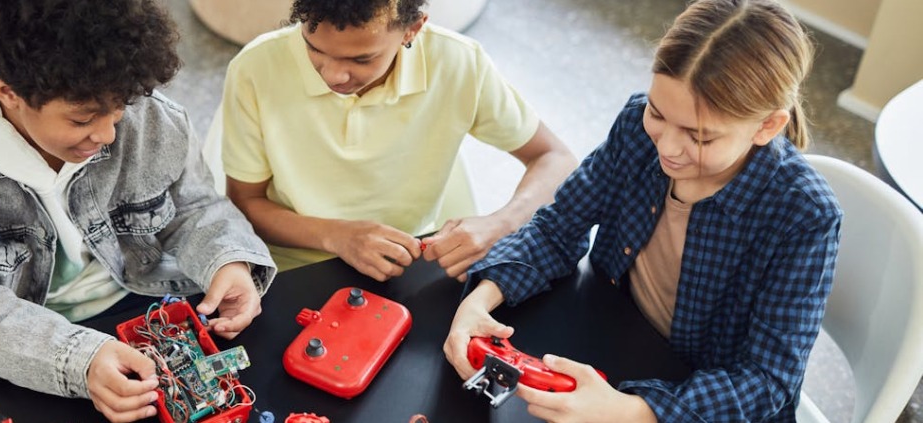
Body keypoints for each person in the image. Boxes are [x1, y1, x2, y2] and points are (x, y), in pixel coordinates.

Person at [0, 1, 275, 422]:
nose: (106, 134)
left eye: (118, 109)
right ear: (7, 91)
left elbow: (194, 206)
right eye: (83, 119)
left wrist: (228, 261)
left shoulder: (142, 107)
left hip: (147, 303)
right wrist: (78, 359)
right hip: (22, 348)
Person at [443, 0, 840, 421]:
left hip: (694, 399)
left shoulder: (806, 215)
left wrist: (633, 411)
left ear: (767, 127)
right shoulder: (636, 125)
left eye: (699, 137)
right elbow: (558, 228)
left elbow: (766, 381)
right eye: (658, 112)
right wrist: (479, 302)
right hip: (611, 339)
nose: (666, 148)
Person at [220, 0, 578, 281]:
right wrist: (338, 236)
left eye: (362, 58)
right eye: (314, 49)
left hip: (411, 261)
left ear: (413, 29)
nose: (333, 74)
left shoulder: (459, 62)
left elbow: (555, 158)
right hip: (290, 267)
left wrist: (501, 222)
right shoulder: (255, 68)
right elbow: (246, 203)